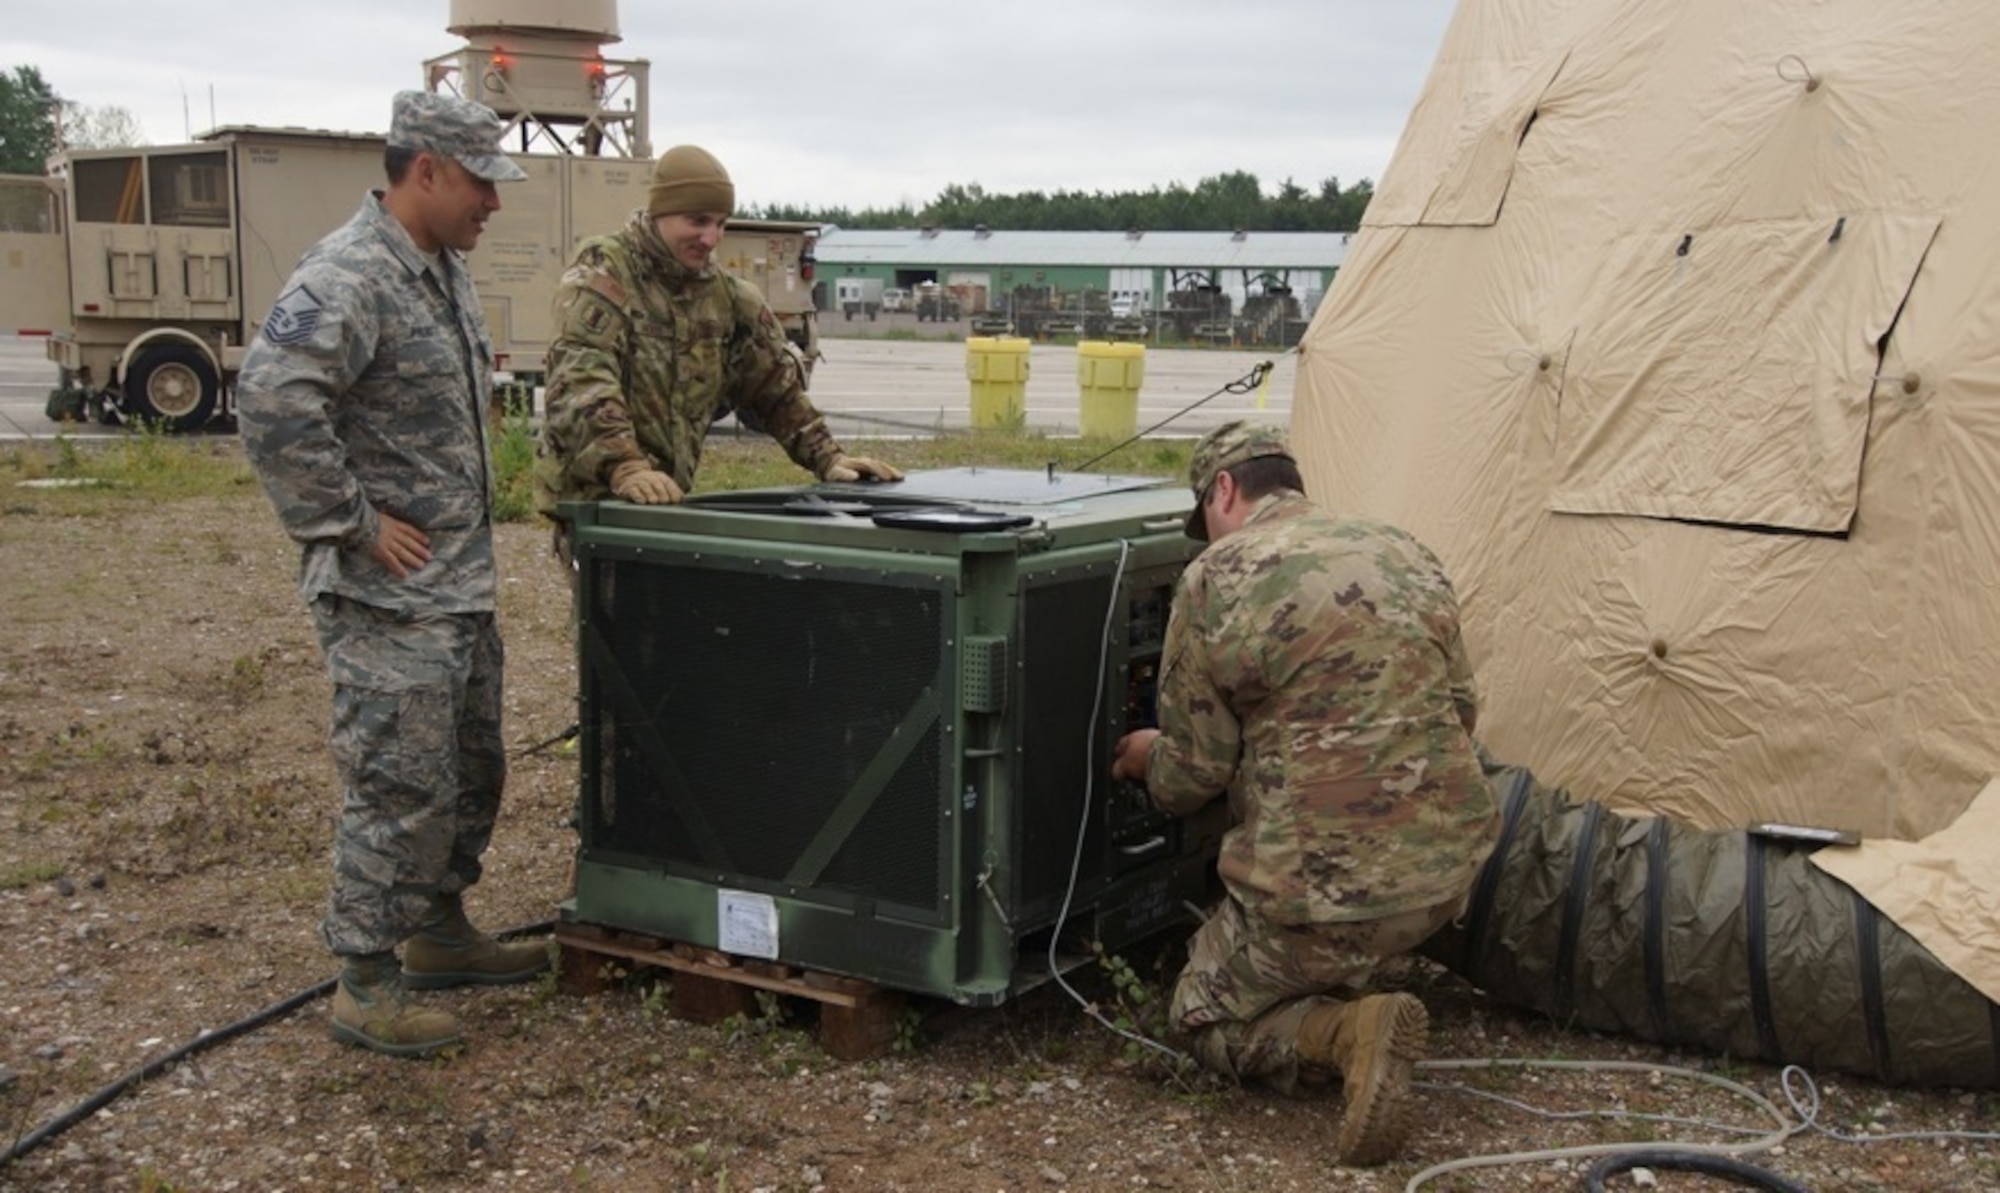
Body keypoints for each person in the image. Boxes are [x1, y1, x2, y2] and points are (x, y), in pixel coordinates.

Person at [237, 90, 551, 1059]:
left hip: (455, 587)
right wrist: (353, 523)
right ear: (425, 170)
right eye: (481, 182)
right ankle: (366, 976)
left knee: (468, 768)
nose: (493, 203)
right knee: (398, 781)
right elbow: (271, 400)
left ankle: (438, 926)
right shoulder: (350, 273)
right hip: (386, 599)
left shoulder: (439, 269)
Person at [1109, 421, 1498, 1166]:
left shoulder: (1217, 576)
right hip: (1450, 875)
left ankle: (1348, 1033)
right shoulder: (1403, 547)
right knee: (1340, 915)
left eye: (1206, 519)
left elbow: (1193, 775)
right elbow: (1460, 710)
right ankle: (1350, 966)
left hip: (1327, 900)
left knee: (1201, 1015)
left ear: (1224, 489)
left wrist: (1144, 758)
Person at [533, 143, 900, 554]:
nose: (712, 238)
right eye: (698, 221)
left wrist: (827, 457)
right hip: (595, 502)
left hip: (665, 500)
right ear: (660, 213)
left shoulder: (725, 296)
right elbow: (581, 378)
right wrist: (625, 467)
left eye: (721, 224)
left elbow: (773, 387)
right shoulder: (607, 271)